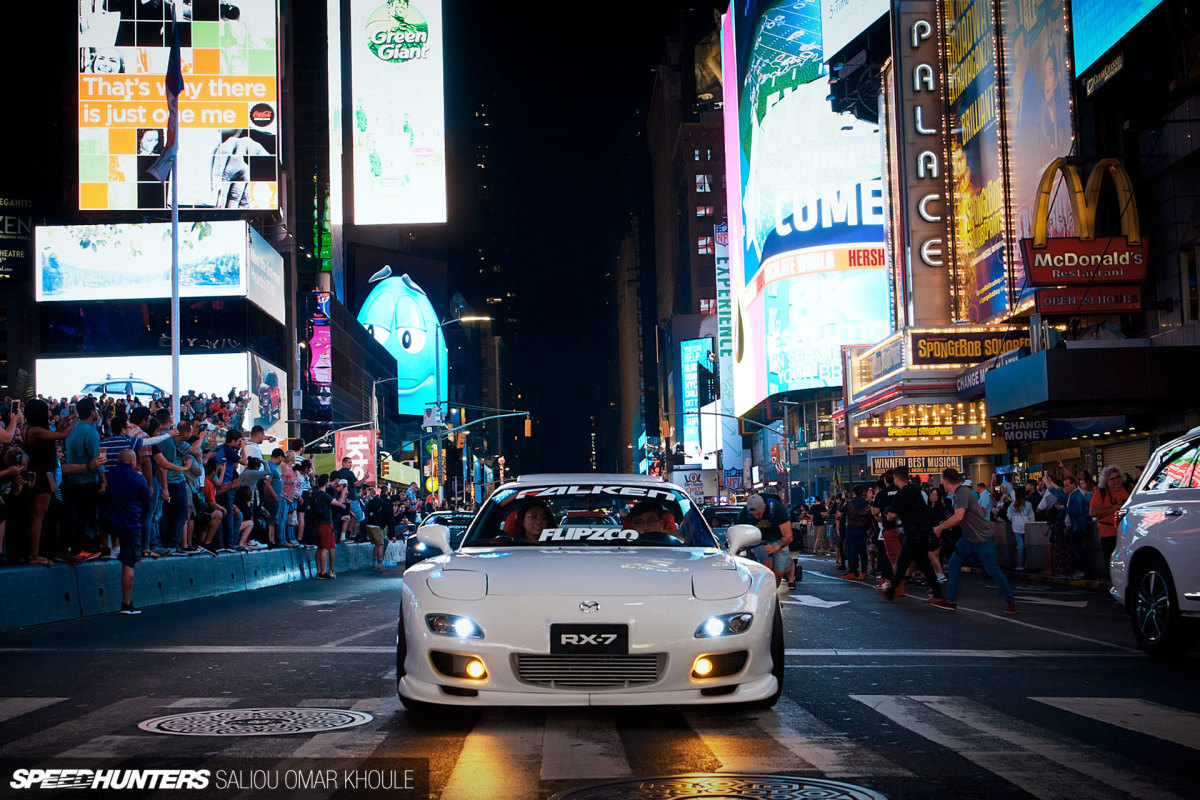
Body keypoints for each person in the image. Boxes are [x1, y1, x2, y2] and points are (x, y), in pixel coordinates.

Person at [931, 468, 1017, 614]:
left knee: (993, 570)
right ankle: (951, 600)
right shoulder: (959, 493)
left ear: (946, 482)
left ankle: (1010, 601)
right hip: (969, 538)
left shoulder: (962, 493)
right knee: (953, 563)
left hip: (982, 538)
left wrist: (940, 528)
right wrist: (945, 523)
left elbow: (958, 516)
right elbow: (960, 518)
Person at [877, 466, 946, 603]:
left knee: (924, 565)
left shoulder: (901, 494)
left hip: (914, 534)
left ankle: (938, 595)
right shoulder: (916, 490)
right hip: (919, 532)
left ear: (896, 478)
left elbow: (892, 515)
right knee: (903, 564)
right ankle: (892, 591)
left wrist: (887, 515)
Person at [22, 399, 76, 566]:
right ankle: (33, 555)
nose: (48, 413)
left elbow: (54, 436)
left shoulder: (33, 429)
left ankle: (35, 552)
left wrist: (64, 421)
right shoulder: (36, 430)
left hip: (40, 475)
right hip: (41, 476)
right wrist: (76, 420)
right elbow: (62, 436)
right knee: (39, 516)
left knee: (39, 515)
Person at [100, 449, 150, 614]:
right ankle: (126, 602)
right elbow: (146, 505)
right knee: (128, 563)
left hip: (108, 521)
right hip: (130, 523)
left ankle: (106, 548)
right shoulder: (138, 479)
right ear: (133, 461)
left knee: (105, 525)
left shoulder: (108, 475)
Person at [63, 397, 107, 559]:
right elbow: (98, 459)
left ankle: (76, 548)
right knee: (87, 517)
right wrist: (103, 480)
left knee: (77, 517)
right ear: (91, 412)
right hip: (87, 481)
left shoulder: (72, 429)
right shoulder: (90, 432)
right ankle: (84, 549)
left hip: (72, 480)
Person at [737, 493, 792, 588]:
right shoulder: (743, 515)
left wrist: (776, 547)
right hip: (759, 541)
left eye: (759, 514)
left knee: (779, 572)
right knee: (767, 565)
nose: (756, 517)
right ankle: (764, 590)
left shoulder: (777, 508)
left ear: (764, 507)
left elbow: (789, 536)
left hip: (777, 539)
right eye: (753, 515)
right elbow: (739, 535)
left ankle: (773, 592)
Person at [1090, 465, 1129, 580]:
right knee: (1111, 559)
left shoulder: (1129, 488)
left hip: (1128, 531)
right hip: (1108, 533)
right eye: (1112, 479)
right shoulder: (1100, 492)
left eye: (1117, 477)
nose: (1116, 481)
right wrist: (1113, 509)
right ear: (1106, 481)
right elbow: (1093, 512)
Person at [310, 474, 344, 578]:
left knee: (319, 548)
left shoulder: (315, 495)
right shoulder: (325, 495)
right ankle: (323, 572)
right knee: (325, 548)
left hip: (317, 523)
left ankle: (319, 570)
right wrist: (343, 492)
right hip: (326, 523)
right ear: (326, 483)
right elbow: (339, 503)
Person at [331, 457, 367, 541]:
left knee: (352, 516)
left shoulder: (338, 473)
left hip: (343, 500)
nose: (351, 464)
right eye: (349, 462)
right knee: (358, 516)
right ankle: (351, 535)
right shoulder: (349, 473)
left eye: (351, 463)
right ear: (343, 463)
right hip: (351, 500)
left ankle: (348, 535)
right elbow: (357, 484)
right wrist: (364, 478)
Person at [841, 485, 873, 580]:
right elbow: (870, 518)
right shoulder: (866, 504)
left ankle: (852, 571)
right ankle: (863, 572)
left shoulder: (849, 503)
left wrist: (844, 499)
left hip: (851, 529)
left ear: (853, 493)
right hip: (862, 530)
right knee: (862, 551)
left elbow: (841, 510)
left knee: (851, 551)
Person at [1062, 474, 1089, 579]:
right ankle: (1077, 571)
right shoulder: (1072, 495)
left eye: (1068, 485)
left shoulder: (1076, 495)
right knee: (1074, 550)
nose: (1066, 488)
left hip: (1077, 527)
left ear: (1073, 484)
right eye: (1065, 486)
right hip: (1072, 526)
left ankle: (1080, 571)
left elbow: (1078, 510)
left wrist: (1064, 508)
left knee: (1077, 550)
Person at [1009, 486, 1035, 571]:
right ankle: (1027, 563)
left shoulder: (1013, 505)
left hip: (1016, 527)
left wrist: (1014, 520)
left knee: (1020, 546)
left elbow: (1009, 515)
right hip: (1026, 526)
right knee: (1027, 545)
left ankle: (1020, 563)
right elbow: (1032, 517)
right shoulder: (1028, 504)